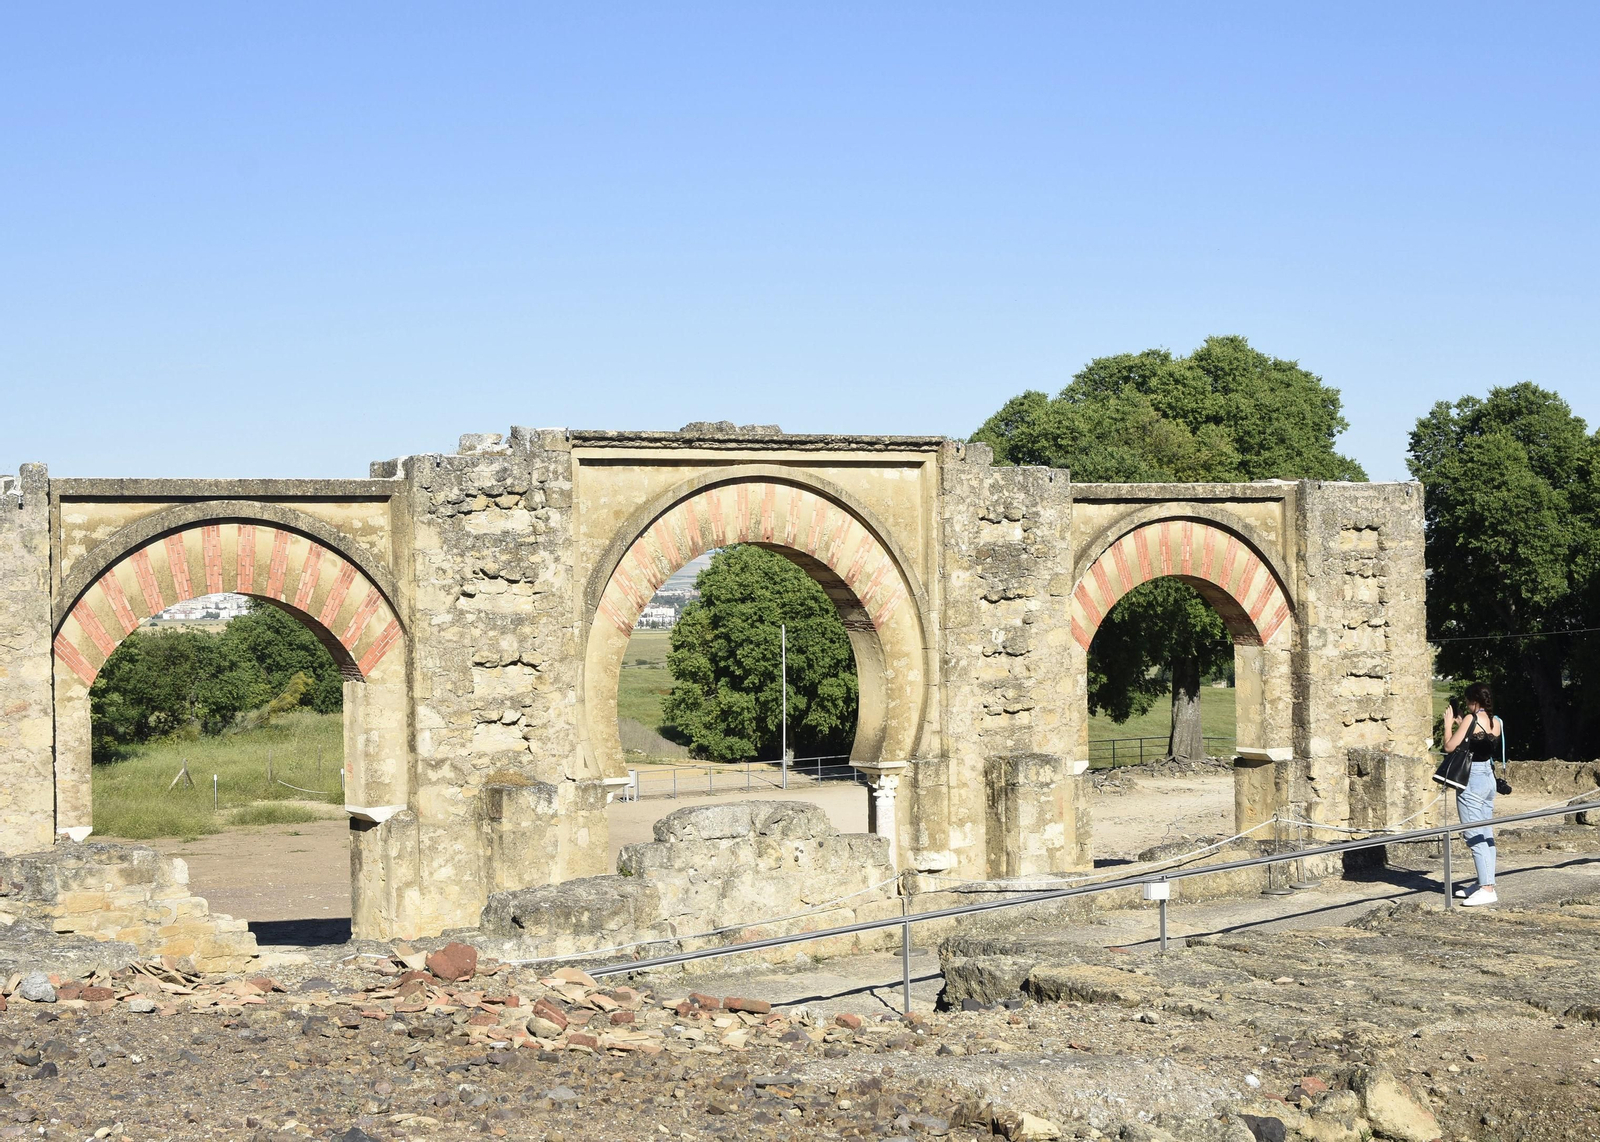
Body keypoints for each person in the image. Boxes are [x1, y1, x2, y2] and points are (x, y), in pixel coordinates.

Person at [1441, 682, 1503, 906]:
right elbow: (1482, 743)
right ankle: (1484, 881)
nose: (1466, 705)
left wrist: (1448, 724)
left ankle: (1487, 889)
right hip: (1488, 777)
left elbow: (1449, 746)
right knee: (1486, 832)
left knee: (1473, 834)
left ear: (1474, 701)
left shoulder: (1471, 719)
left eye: (1468, 701)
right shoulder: (1496, 722)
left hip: (1472, 779)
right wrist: (1462, 724)